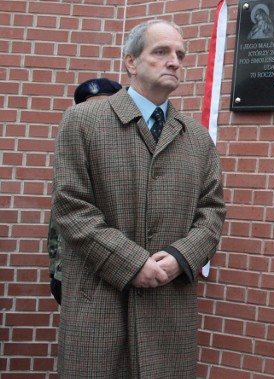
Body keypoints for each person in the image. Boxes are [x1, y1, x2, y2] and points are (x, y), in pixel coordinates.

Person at [52, 19, 226, 378]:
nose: (174, 61)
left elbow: (211, 212)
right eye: (161, 52)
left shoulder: (196, 137)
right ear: (131, 62)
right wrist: (132, 263)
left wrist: (181, 257)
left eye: (180, 54)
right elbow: (72, 208)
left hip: (168, 308)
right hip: (100, 306)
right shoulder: (83, 121)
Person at [47, 77, 122, 305]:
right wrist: (56, 269)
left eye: (102, 106)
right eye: (88, 107)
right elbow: (59, 218)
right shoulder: (74, 150)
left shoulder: (126, 151)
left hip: (119, 267)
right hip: (72, 269)